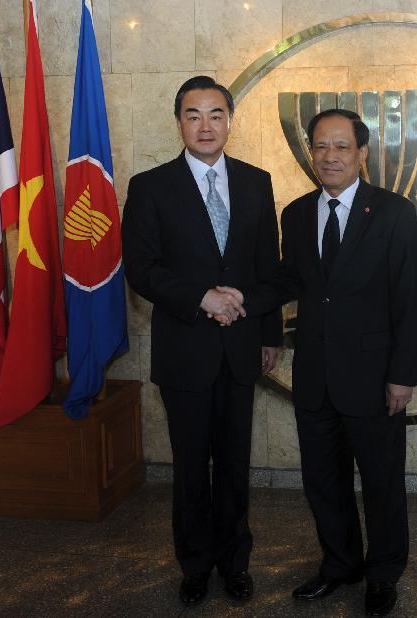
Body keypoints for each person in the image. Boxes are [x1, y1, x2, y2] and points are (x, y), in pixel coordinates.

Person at [225, 108, 417, 616]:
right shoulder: (295, 213)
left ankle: (383, 574)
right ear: (310, 153)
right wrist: (237, 297)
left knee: (381, 482)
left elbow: (408, 299)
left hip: (374, 377)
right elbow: (288, 281)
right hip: (314, 377)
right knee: (322, 480)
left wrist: (402, 375)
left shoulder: (394, 212)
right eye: (320, 147)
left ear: (362, 153)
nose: (329, 156)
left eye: (341, 147)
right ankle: (340, 565)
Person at [121, 76, 281, 607]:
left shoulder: (257, 182)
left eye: (216, 114)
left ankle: (236, 564)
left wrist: (270, 334)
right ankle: (194, 565)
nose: (206, 125)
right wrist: (200, 297)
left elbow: (268, 268)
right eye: (194, 115)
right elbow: (142, 269)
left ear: (230, 121)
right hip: (185, 350)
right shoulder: (150, 186)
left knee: (235, 465)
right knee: (190, 467)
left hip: (241, 350)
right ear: (179, 123)